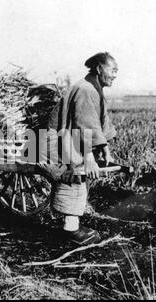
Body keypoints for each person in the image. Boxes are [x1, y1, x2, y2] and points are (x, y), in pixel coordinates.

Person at [47, 52, 118, 245]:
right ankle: (71, 230)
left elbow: (100, 123)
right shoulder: (85, 89)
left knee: (81, 167)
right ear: (99, 68)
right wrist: (89, 157)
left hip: (76, 137)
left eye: (116, 71)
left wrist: (105, 149)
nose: (114, 75)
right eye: (112, 70)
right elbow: (84, 124)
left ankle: (73, 223)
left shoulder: (94, 89)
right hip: (61, 139)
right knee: (76, 171)